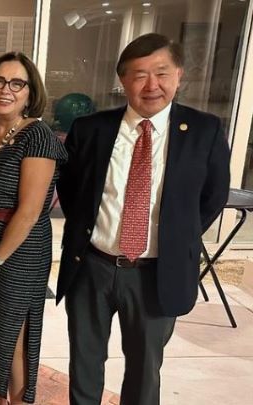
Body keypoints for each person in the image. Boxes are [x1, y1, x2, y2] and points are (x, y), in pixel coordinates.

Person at [56, 33, 230, 405]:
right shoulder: (91, 130)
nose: (152, 85)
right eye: (139, 75)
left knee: (144, 371)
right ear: (122, 81)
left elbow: (212, 197)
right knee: (84, 367)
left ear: (179, 75)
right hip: (92, 269)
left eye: (162, 73)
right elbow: (73, 193)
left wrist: (174, 236)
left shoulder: (205, 131)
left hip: (157, 274)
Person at [0, 51, 67, 404]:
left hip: (20, 247)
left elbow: (30, 211)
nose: (6, 90)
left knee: (12, 332)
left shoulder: (39, 136)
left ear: (29, 91)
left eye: (16, 83)